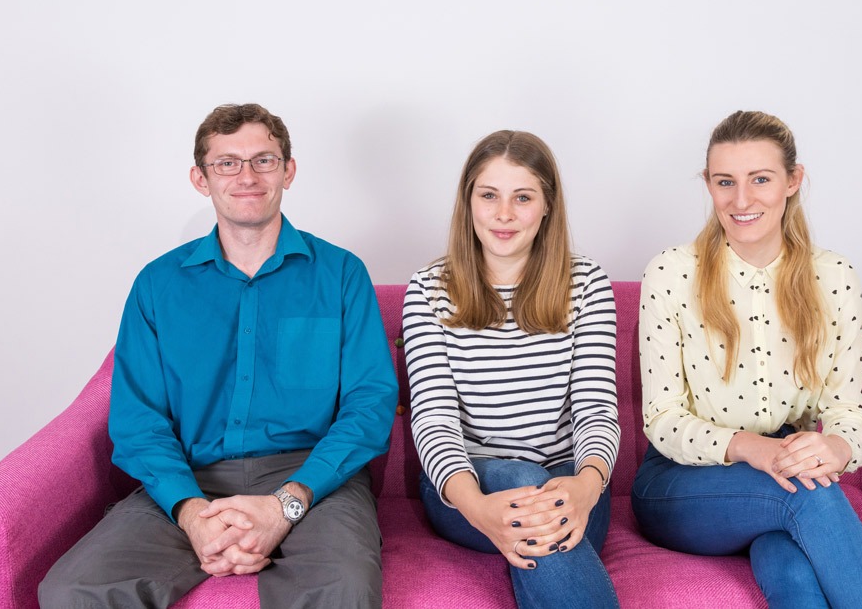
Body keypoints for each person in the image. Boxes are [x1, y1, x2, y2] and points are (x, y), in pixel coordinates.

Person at [39, 103, 399, 608]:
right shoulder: (157, 285)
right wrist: (191, 514)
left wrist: (286, 505)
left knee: (343, 590)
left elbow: (370, 403)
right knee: (71, 592)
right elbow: (138, 418)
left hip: (314, 479)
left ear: (288, 171)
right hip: (191, 476)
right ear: (201, 178)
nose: (247, 176)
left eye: (264, 161)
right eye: (227, 163)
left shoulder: (340, 274)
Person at [631, 111, 862, 608]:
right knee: (808, 495)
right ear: (709, 186)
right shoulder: (671, 273)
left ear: (793, 181)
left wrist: (840, 448)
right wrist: (753, 448)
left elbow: (848, 410)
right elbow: (663, 420)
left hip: (781, 474)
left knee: (792, 570)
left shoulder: (834, 278)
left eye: (760, 179)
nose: (741, 200)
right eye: (724, 182)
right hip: (679, 482)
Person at [401, 131, 621, 608]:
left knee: (537, 497)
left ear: (547, 206)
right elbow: (434, 419)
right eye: (489, 195)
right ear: (469, 202)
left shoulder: (587, 283)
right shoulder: (427, 290)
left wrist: (586, 486)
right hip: (466, 489)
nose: (504, 214)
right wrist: (479, 508)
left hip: (572, 484)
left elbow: (596, 408)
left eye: (522, 197)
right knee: (519, 479)